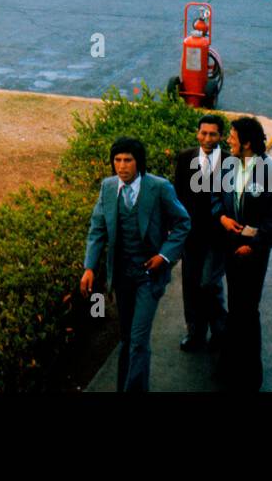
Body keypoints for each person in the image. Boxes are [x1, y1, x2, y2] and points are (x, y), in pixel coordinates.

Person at [81, 136, 191, 392]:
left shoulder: (159, 188)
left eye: (128, 160)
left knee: (139, 340)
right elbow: (97, 230)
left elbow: (183, 223)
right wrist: (89, 268)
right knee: (127, 338)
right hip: (121, 277)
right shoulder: (108, 188)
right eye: (117, 160)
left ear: (138, 162)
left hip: (148, 278)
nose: (122, 166)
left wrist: (164, 256)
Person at [214, 116, 272, 391]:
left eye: (232, 137)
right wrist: (221, 218)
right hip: (232, 248)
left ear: (246, 143)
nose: (228, 141)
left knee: (248, 310)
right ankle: (229, 367)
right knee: (235, 308)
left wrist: (254, 246)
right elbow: (216, 199)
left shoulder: (271, 173)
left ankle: (250, 375)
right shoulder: (229, 166)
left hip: (253, 253)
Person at [173, 114, 230, 352]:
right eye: (203, 133)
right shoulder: (186, 159)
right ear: (198, 133)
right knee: (191, 285)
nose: (207, 138)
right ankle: (195, 332)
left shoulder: (230, 163)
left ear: (222, 136)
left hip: (217, 238)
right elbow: (176, 197)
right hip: (191, 237)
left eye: (213, 134)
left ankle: (220, 331)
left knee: (209, 284)